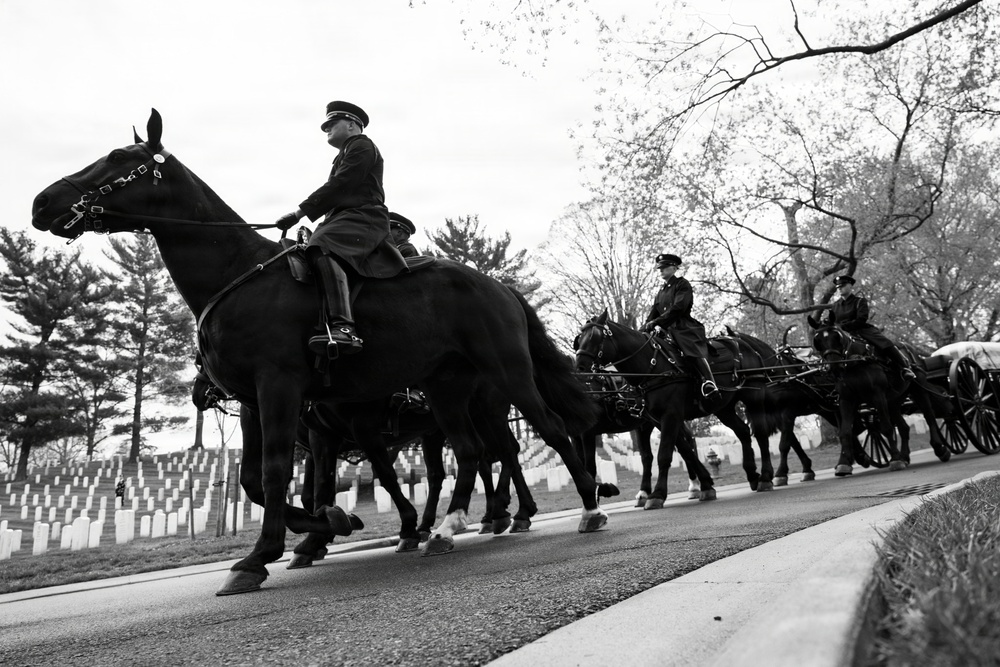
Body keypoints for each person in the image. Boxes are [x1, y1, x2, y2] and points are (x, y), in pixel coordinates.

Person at [275, 101, 406, 358]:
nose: (327, 129)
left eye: (332, 124)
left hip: (363, 216)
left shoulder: (362, 145)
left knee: (321, 245)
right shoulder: (346, 151)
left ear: (352, 125)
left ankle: (344, 328)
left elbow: (342, 184)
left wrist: (298, 213)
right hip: (346, 217)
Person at [640, 253, 719, 397]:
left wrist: (657, 322)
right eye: (659, 268)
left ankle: (709, 383)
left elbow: (678, 308)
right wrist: (641, 331)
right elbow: (653, 314)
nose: (661, 270)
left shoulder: (682, 284)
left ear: (674, 268)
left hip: (682, 327)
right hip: (665, 330)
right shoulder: (661, 291)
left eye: (664, 267)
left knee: (690, 349)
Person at [825, 274, 916, 380]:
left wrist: (843, 327)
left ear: (850, 286)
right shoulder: (835, 305)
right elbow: (831, 321)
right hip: (842, 333)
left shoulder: (859, 301)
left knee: (885, 343)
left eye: (843, 286)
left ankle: (904, 368)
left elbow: (861, 319)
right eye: (838, 287)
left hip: (862, 330)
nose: (840, 288)